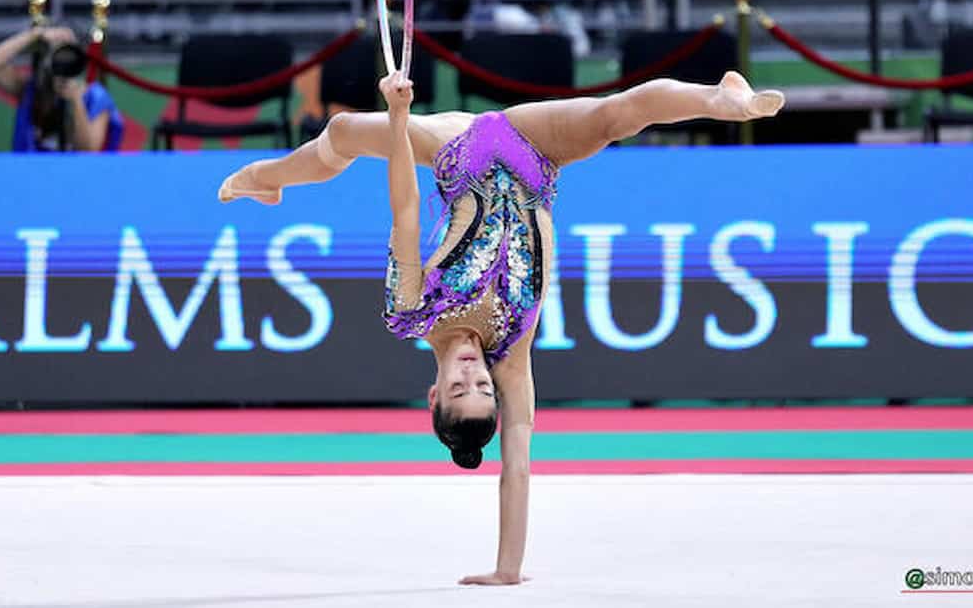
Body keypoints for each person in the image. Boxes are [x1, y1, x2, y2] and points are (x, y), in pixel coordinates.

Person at [217, 71, 785, 585]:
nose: (474, 376)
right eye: (482, 389)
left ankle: (264, 177)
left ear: (434, 394)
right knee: (615, 116)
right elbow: (516, 467)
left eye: (459, 389)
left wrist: (396, 116)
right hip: (534, 153)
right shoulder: (511, 353)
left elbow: (406, 211)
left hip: (460, 153)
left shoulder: (409, 310)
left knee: (341, 130)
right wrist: (507, 569)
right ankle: (721, 99)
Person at [0, 26, 124, 152]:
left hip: (76, 177)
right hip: (32, 174)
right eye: (57, 54)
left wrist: (76, 101)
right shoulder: (31, 89)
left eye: (68, 52)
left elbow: (88, 150)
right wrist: (35, 34)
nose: (63, 60)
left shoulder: (95, 97)